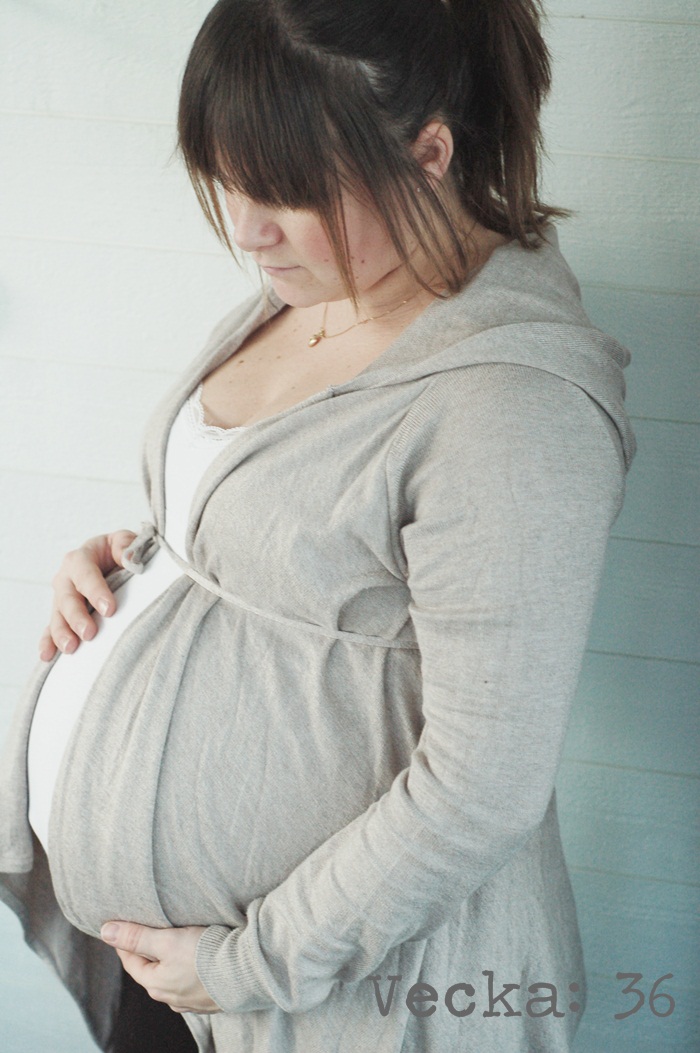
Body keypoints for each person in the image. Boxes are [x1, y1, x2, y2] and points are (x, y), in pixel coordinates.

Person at [0, 1, 637, 1051]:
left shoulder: (512, 408)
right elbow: (285, 525)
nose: (249, 230)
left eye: (288, 191)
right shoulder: (323, 280)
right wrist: (144, 562)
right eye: (229, 182)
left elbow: (482, 789)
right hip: (170, 970)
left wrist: (243, 964)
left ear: (427, 154)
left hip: (332, 994)